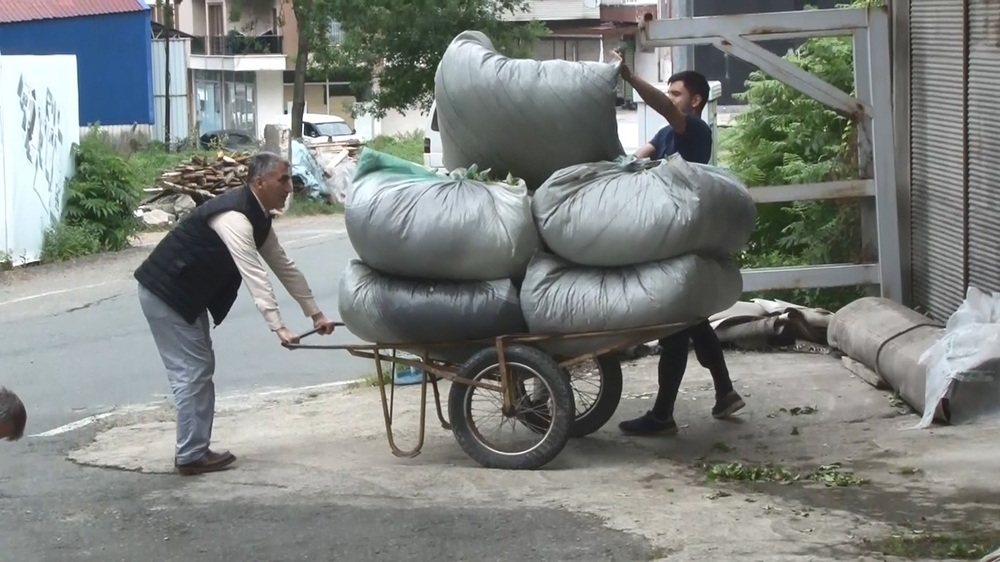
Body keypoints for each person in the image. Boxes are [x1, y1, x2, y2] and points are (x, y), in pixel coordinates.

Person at [134, 151, 337, 475]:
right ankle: (190, 455)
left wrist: (315, 314)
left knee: (198, 368)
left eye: (288, 179)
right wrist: (278, 326)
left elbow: (285, 267)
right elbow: (254, 272)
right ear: (259, 182)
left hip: (185, 294)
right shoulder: (235, 217)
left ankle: (195, 449)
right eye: (282, 180)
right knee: (192, 371)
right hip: (166, 292)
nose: (289, 188)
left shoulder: (259, 218)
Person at [612, 52, 746, 435]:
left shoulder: (694, 130)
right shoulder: (667, 135)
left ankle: (662, 415)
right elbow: (637, 157)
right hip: (669, 232)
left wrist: (630, 77)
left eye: (676, 93)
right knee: (691, 318)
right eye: (669, 92)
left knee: (674, 328)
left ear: (695, 101)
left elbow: (661, 109)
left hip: (685, 232)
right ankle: (724, 392)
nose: (670, 98)